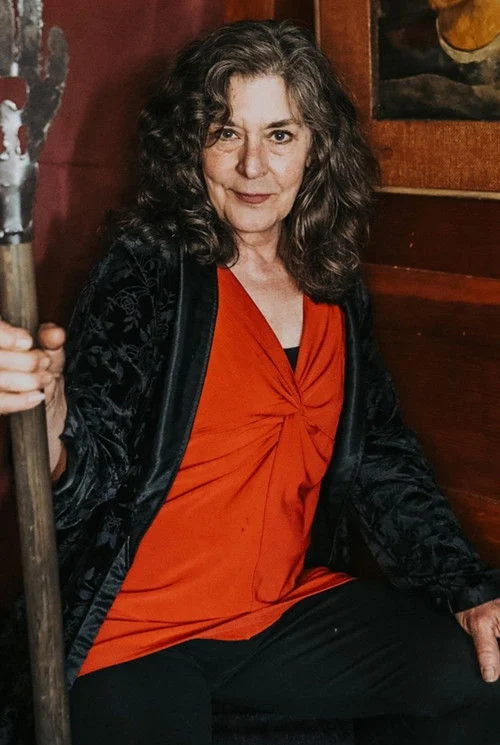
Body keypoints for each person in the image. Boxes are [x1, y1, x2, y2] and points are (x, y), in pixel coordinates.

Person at [0, 19, 499, 745]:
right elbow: (91, 466)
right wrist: (46, 413)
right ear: (191, 145)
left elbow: (380, 456)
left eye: (280, 135)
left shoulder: (333, 280)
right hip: (137, 630)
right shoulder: (148, 267)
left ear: (317, 146)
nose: (252, 166)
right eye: (226, 132)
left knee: (479, 673)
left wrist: (468, 587)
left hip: (278, 614)